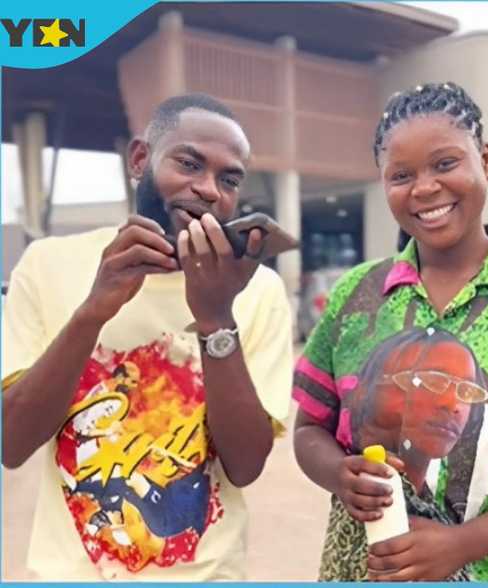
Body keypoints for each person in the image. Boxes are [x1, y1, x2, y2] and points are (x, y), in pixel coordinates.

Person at [1, 93, 293, 580]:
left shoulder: (257, 289)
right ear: (140, 159)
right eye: (189, 163)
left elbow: (244, 467)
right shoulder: (49, 265)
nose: (208, 190)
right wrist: (92, 312)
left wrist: (216, 316)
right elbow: (10, 445)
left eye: (229, 179)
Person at [291, 82, 488, 582]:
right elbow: (309, 429)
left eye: (445, 164)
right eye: (402, 175)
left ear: (487, 161)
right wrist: (337, 475)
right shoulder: (359, 296)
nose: (425, 188)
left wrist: (461, 544)